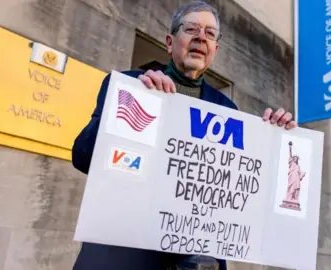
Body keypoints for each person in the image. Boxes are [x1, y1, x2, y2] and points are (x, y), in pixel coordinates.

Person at [72, 1, 297, 269]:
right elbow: (83, 156)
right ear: (170, 42)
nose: (201, 37)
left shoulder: (227, 111)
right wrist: (130, 105)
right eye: (191, 29)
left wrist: (276, 140)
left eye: (210, 34)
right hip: (122, 256)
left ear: (214, 49)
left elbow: (243, 190)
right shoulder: (130, 86)